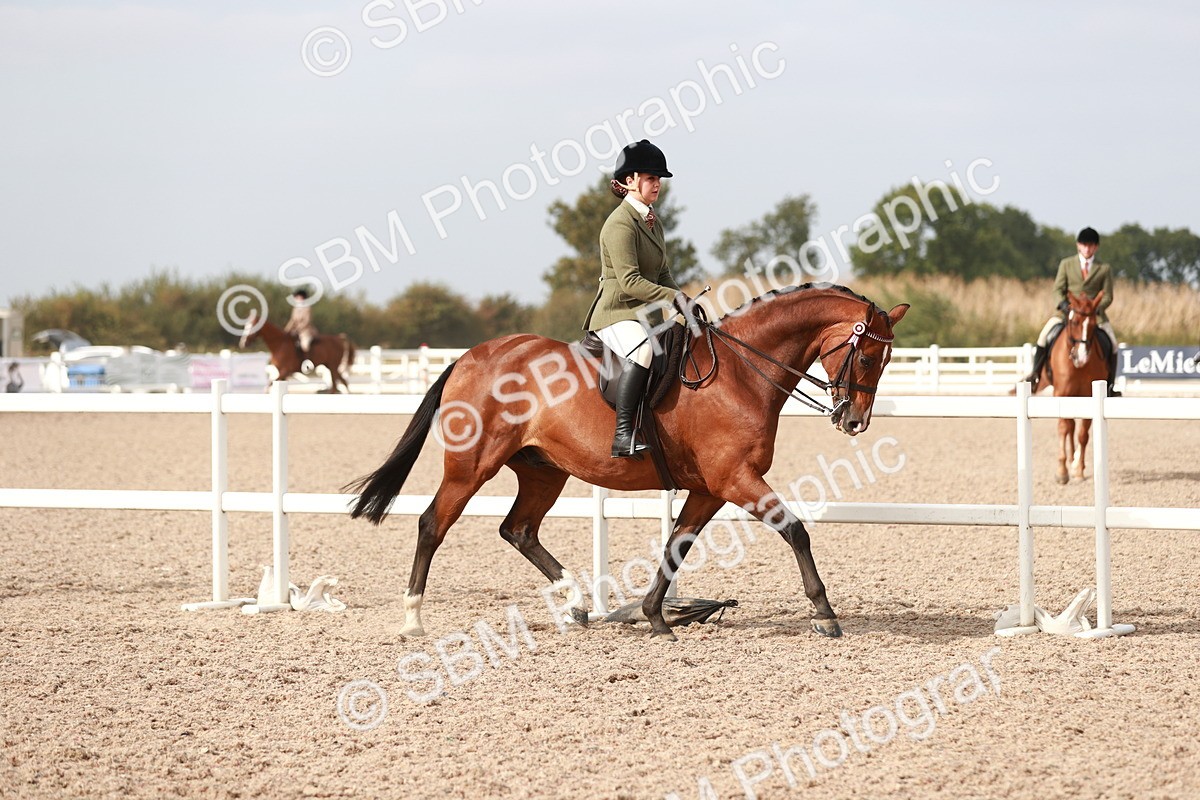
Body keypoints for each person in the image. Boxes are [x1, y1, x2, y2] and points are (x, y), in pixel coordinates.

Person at [582, 139, 690, 459]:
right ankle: (623, 433)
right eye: (650, 178)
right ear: (630, 181)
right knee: (644, 350)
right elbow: (630, 282)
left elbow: (663, 273)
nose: (657, 184)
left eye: (659, 179)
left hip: (643, 312)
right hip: (617, 311)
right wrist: (673, 297)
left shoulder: (652, 221)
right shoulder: (619, 224)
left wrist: (684, 301)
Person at [1026, 227, 1121, 396]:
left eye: (1091, 246)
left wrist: (1095, 308)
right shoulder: (1066, 264)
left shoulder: (1104, 269)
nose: (1087, 249)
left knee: (1113, 344)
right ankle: (1035, 375)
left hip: (1094, 316)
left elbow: (1107, 296)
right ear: (1078, 245)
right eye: (1084, 245)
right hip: (1068, 313)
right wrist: (1063, 304)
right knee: (1043, 337)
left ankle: (1110, 386)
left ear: (1096, 247)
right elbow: (1057, 289)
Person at [284, 288, 318, 372]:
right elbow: (292, 321)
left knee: (305, 344)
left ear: (302, 298)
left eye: (298, 297)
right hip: (295, 330)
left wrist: (298, 329)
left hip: (305, 330)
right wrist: (286, 331)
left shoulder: (307, 308)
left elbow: (307, 321)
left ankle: (307, 362)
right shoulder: (295, 309)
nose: (296, 299)